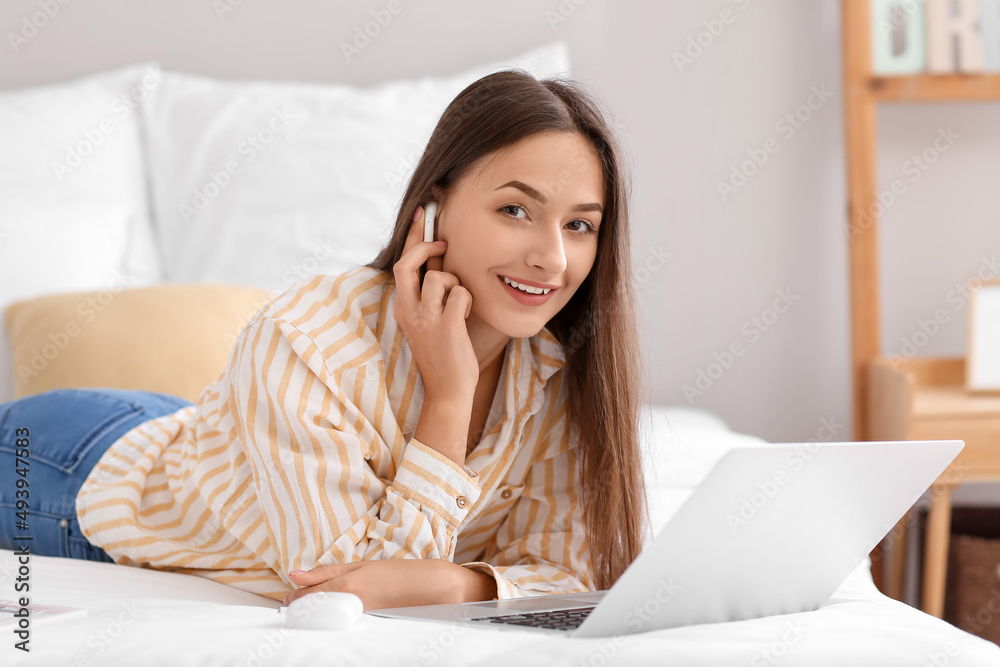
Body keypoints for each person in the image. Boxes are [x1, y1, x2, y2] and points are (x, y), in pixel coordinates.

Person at [0, 68, 650, 611]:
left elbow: (572, 578)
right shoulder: (308, 335)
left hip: (206, 441)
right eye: (516, 210)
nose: (552, 259)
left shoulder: (555, 367)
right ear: (433, 207)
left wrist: (460, 579)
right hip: (80, 471)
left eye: (580, 226)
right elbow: (343, 587)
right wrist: (449, 398)